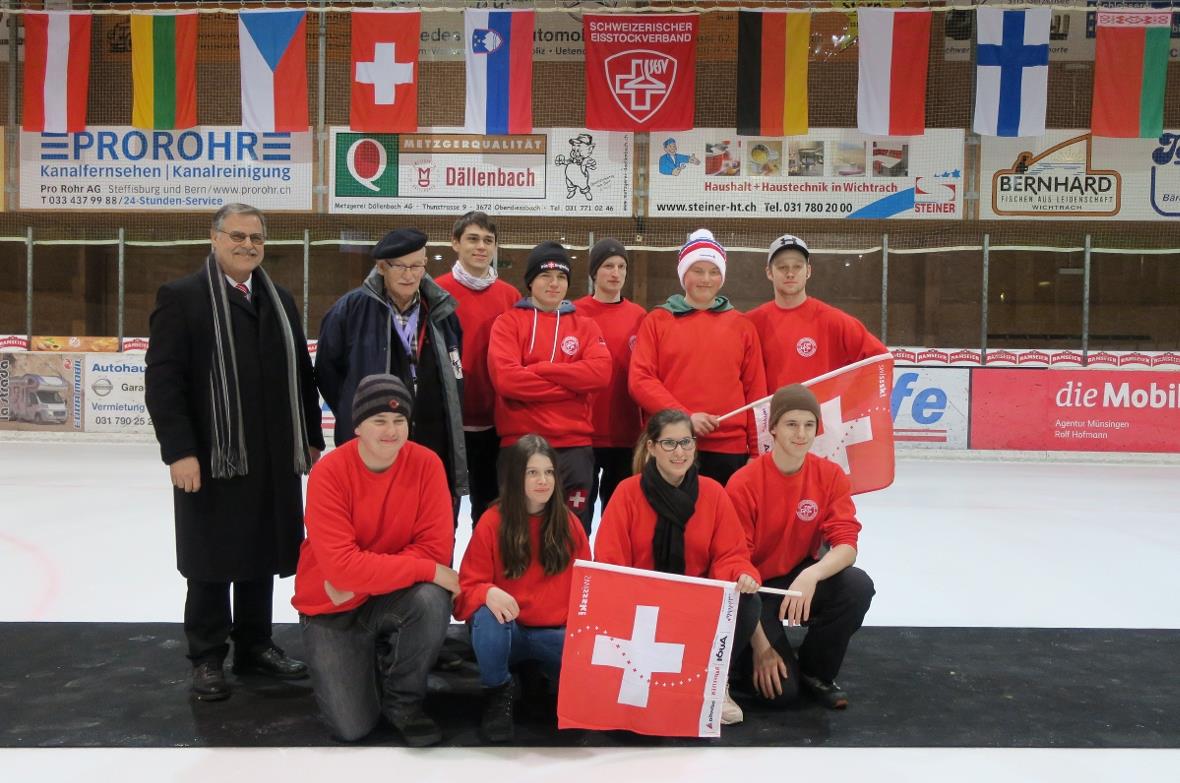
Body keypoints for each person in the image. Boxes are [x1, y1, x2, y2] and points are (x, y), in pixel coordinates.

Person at [145, 203, 324, 702]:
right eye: (238, 236)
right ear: (215, 237)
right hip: (212, 459)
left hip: (272, 458)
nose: (248, 246)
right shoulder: (182, 298)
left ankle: (255, 645)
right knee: (211, 560)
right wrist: (179, 451)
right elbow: (163, 382)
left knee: (261, 554)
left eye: (257, 239)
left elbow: (303, 378)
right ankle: (206, 657)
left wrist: (309, 436)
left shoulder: (281, 300)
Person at [294, 375, 459, 746]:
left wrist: (363, 573)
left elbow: (434, 549)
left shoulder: (427, 465)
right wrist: (424, 569)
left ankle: (404, 701)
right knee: (352, 728)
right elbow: (340, 568)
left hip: (377, 595)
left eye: (400, 421)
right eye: (380, 421)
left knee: (431, 599)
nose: (392, 430)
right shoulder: (329, 473)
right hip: (332, 604)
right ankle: (362, 661)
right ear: (357, 426)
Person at [594, 408, 761, 725]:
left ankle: (714, 682)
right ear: (652, 446)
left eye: (686, 442)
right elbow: (609, 560)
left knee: (748, 604)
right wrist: (646, 595)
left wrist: (741, 574)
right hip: (642, 606)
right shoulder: (627, 493)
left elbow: (730, 553)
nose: (679, 452)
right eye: (669, 444)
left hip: (695, 603)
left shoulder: (713, 493)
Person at [725, 384, 875, 710]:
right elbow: (735, 566)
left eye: (809, 425)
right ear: (774, 427)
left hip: (796, 579)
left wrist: (812, 575)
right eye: (792, 424)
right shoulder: (744, 483)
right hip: (753, 591)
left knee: (856, 586)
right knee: (781, 695)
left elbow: (847, 545)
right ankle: (741, 664)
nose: (801, 433)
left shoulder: (830, 475)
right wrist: (762, 649)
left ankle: (815, 671)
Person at [316, 227, 467, 515]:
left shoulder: (441, 312)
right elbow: (327, 372)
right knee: (376, 523)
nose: (410, 275)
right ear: (382, 267)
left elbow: (456, 371)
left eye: (417, 266)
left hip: (432, 442)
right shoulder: (350, 310)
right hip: (374, 444)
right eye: (400, 266)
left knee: (430, 524)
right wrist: (355, 410)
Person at [454, 434, 591, 742]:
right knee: (487, 617)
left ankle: (540, 679)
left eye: (548, 472)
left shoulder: (570, 525)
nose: (543, 480)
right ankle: (498, 692)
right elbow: (465, 592)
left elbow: (587, 593)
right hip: (508, 633)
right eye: (532, 472)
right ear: (516, 477)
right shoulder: (492, 522)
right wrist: (486, 591)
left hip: (555, 635)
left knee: (584, 709)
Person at [487, 241, 611, 534]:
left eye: (561, 277)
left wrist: (540, 369)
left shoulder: (586, 325)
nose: (554, 284)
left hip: (574, 447)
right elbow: (507, 380)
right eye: (546, 276)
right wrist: (572, 386)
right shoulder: (508, 323)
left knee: (572, 531)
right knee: (519, 531)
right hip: (520, 445)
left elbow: (601, 374)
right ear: (531, 280)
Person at [629, 228, 767, 487]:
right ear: (683, 274)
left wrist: (758, 452)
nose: (706, 279)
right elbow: (640, 380)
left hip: (728, 450)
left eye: (714, 271)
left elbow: (756, 392)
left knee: (721, 525)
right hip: (671, 444)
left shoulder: (742, 326)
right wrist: (685, 418)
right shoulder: (657, 321)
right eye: (697, 270)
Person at [435, 212, 519, 525]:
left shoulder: (510, 296)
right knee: (443, 517)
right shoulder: (436, 292)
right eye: (472, 239)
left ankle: (484, 575)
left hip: (495, 426)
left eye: (488, 240)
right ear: (455, 243)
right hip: (448, 425)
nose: (481, 247)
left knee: (490, 517)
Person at [747, 233, 888, 389]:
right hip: (770, 413)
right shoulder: (751, 323)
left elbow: (881, 359)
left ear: (808, 271)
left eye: (797, 266)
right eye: (782, 267)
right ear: (769, 272)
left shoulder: (834, 321)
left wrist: (852, 402)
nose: (790, 273)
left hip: (819, 413)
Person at [573, 237, 646, 522]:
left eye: (621, 266)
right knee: (578, 517)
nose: (615, 273)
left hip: (625, 434)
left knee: (619, 518)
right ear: (594, 272)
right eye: (607, 266)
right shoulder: (575, 313)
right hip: (583, 433)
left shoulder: (640, 316)